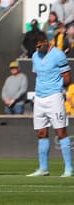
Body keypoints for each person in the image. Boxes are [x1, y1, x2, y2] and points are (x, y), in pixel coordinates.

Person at [29, 33, 73, 177]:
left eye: (39, 46)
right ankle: (43, 168)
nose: (37, 49)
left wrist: (56, 87)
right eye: (36, 47)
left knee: (61, 132)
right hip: (39, 98)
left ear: (46, 42)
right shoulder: (35, 56)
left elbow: (67, 77)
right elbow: (37, 75)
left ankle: (69, 168)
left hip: (54, 97)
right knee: (41, 133)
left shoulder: (58, 55)